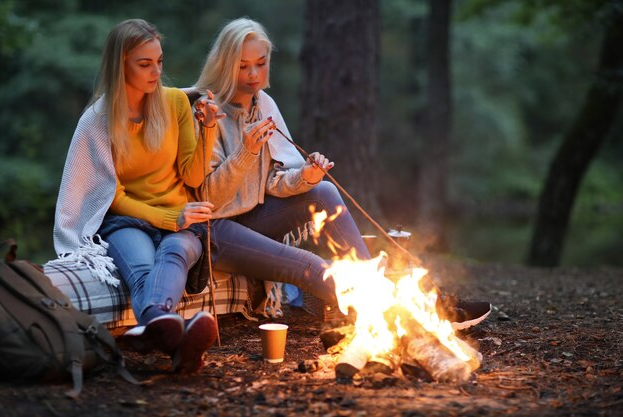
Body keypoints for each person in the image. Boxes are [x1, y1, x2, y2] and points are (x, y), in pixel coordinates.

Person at [190, 17, 492, 330]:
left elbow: (275, 182)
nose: (253, 74)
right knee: (311, 265)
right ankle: (412, 314)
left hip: (255, 219)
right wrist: (246, 153)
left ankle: (411, 302)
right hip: (217, 230)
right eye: (243, 66)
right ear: (225, 65)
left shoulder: (264, 104)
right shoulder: (207, 111)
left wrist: (306, 176)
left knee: (324, 192)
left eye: (261, 63)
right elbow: (210, 198)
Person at [51, 19, 223, 373]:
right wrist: (164, 218)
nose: (156, 71)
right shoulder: (97, 121)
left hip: (182, 219)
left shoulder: (174, 103)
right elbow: (107, 194)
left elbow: (193, 174)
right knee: (142, 264)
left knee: (175, 252)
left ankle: (157, 330)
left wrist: (208, 127)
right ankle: (176, 339)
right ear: (120, 65)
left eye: (159, 62)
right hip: (127, 219)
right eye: (144, 64)